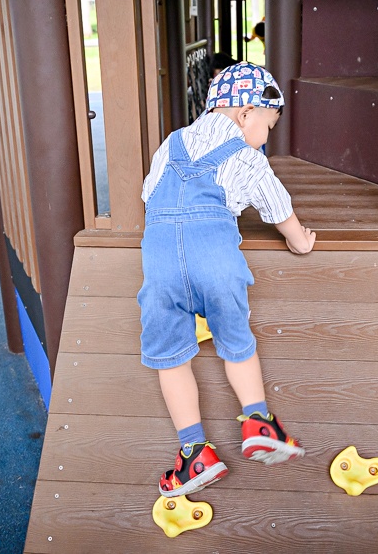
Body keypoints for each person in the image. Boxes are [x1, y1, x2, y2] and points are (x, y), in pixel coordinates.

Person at [138, 62, 316, 498]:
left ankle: (194, 452)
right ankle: (259, 422)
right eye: (268, 126)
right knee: (237, 342)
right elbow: (278, 208)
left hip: (160, 265)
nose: (266, 136)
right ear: (245, 114)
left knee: (171, 360)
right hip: (215, 260)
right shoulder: (247, 158)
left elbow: (148, 193)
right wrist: (300, 241)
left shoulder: (170, 144)